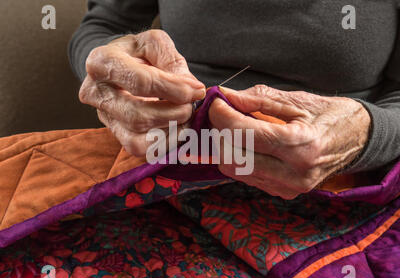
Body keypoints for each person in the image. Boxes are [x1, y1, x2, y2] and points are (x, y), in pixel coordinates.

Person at [69, 0, 400, 199]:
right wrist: (113, 70)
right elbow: (102, 27)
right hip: (162, 162)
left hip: (346, 184)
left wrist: (365, 134)